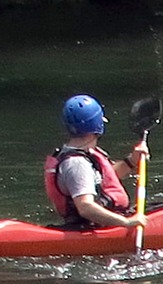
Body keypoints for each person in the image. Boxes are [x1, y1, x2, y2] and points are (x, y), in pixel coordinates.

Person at [44, 95, 147, 231]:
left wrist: (133, 160)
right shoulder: (77, 164)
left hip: (108, 220)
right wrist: (126, 222)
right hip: (93, 227)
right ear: (98, 124)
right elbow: (85, 208)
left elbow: (106, 178)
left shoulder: (84, 152)